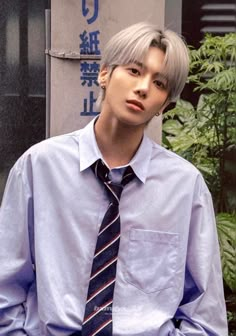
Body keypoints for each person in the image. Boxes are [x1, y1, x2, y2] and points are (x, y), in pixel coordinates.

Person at [0, 22, 228, 336]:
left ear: (164, 104)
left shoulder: (184, 187)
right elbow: (6, 284)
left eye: (159, 83)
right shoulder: (39, 167)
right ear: (105, 73)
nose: (144, 87)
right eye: (135, 71)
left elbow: (205, 314)